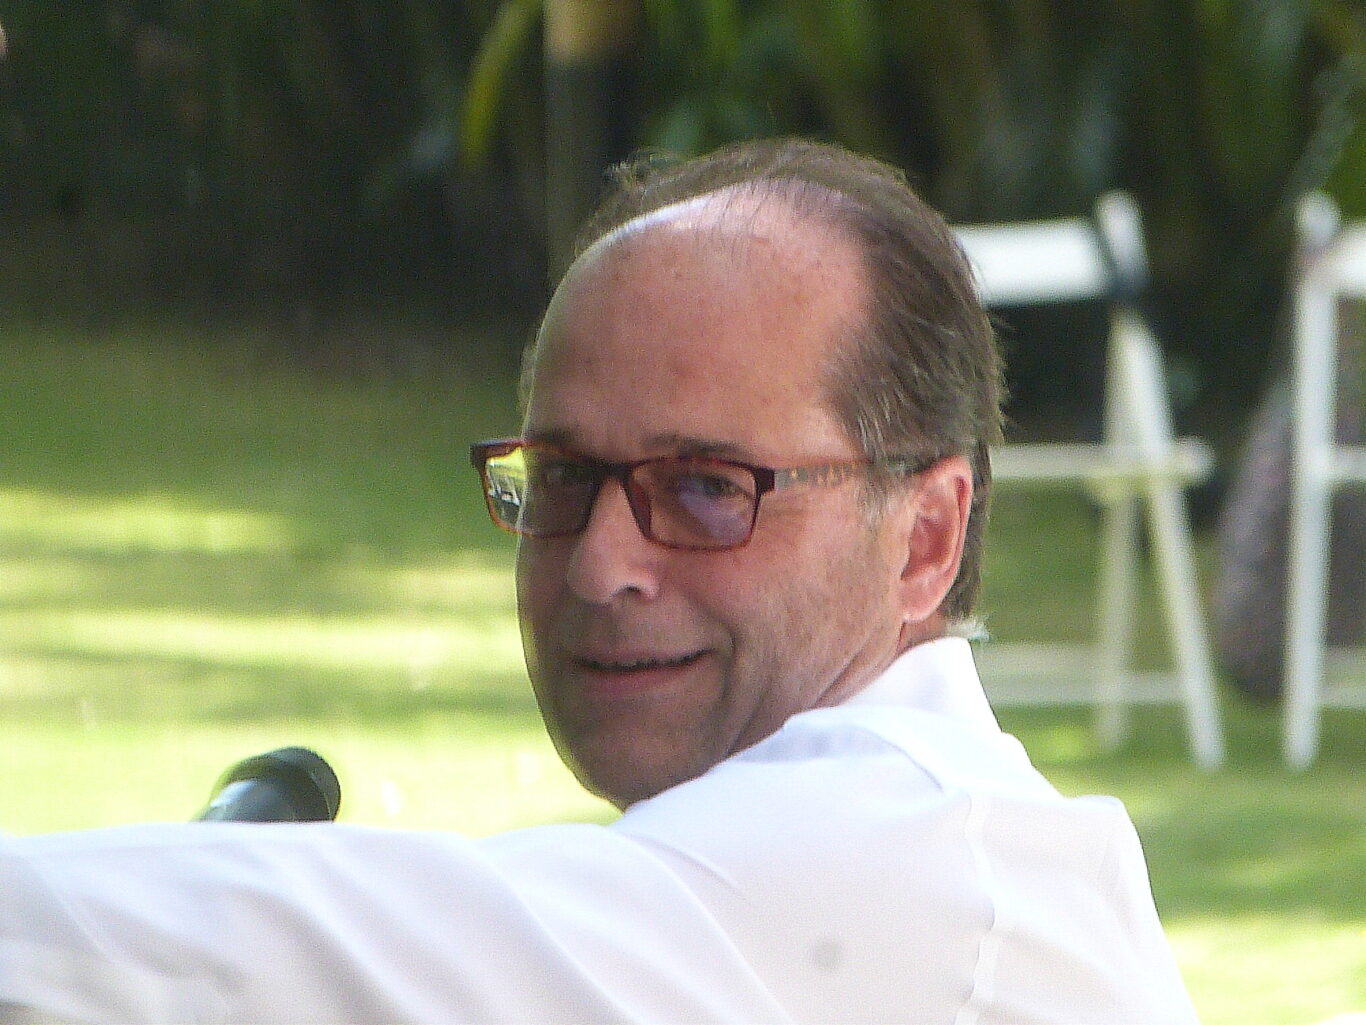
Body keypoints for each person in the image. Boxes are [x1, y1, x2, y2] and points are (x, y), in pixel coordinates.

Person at [0, 137, 1198, 1023]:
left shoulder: (910, 850)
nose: (600, 560)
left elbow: (283, 950)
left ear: (926, 535)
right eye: (565, 476)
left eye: (707, 486)